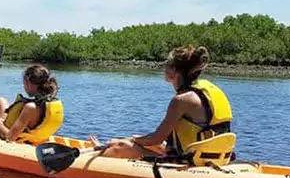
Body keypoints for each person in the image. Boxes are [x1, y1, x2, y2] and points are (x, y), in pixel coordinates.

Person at [92, 45, 233, 162]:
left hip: (189, 162)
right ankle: (103, 148)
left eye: (167, 64)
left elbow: (156, 139)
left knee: (121, 147)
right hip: (213, 158)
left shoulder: (181, 100)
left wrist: (127, 141)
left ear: (175, 71)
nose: (164, 67)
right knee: (138, 141)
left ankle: (98, 154)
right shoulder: (207, 92)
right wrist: (134, 139)